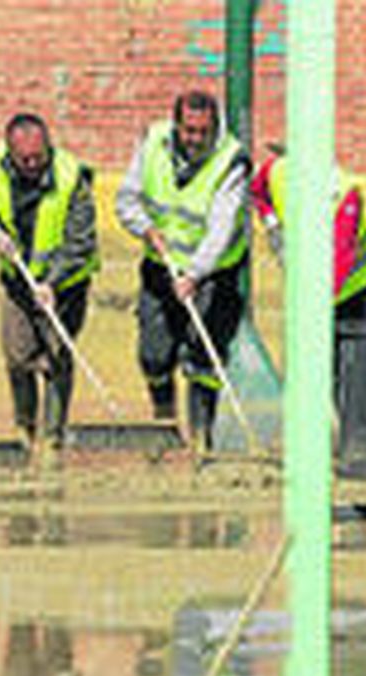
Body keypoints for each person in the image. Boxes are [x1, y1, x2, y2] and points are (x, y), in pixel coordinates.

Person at [115, 90, 250, 451]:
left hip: (214, 274)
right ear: (177, 125)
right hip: (160, 267)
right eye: (189, 130)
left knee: (204, 357)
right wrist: (145, 228)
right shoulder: (153, 142)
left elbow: (221, 229)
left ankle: (201, 441)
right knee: (153, 354)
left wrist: (194, 273)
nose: (195, 139)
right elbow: (127, 199)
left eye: (204, 131)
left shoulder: (231, 161)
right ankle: (166, 426)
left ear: (215, 128)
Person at [0, 113, 98, 460]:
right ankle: (25, 429)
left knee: (56, 357)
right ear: (10, 152)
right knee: (17, 357)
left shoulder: (72, 179)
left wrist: (52, 283)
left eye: (37, 158)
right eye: (23, 159)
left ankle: (53, 436)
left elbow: (81, 242)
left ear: (48, 148)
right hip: (18, 283)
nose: (31, 165)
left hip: (67, 285)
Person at [249, 153, 366, 321]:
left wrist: (312, 305)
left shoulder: (344, 199)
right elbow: (258, 189)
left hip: (353, 292)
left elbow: (341, 260)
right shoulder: (278, 172)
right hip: (310, 288)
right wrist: (272, 223)